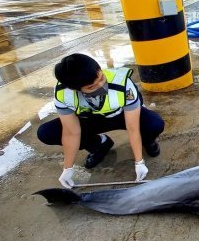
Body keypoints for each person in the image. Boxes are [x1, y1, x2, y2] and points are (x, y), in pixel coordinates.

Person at [37, 54, 165, 188]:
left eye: (101, 78)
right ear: (75, 89)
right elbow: (71, 132)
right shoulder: (64, 94)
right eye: (92, 87)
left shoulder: (122, 84)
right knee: (47, 132)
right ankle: (99, 144)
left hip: (122, 115)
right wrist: (68, 168)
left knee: (153, 124)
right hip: (89, 119)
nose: (101, 85)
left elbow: (133, 127)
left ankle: (147, 141)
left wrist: (139, 162)